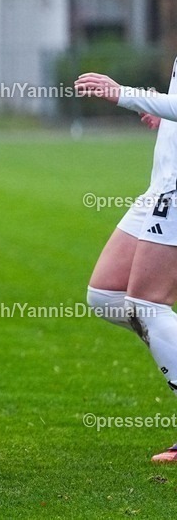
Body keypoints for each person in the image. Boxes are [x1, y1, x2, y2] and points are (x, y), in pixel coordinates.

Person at [75, 68, 177, 463]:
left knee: (147, 304)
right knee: (106, 294)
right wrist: (166, 118)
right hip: (161, 184)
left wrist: (124, 94)